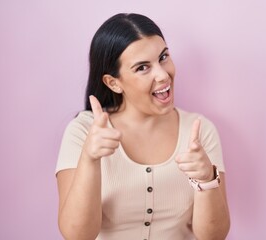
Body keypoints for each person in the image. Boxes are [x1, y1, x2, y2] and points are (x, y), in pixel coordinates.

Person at [55, 13, 230, 240]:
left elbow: (214, 236)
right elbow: (77, 235)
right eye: (142, 68)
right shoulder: (83, 132)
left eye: (163, 57)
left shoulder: (200, 130)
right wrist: (90, 159)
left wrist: (207, 179)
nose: (162, 74)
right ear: (113, 83)